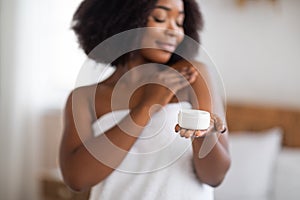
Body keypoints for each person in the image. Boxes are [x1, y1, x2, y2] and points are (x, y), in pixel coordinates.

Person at [59, 0, 231, 199]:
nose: (174, 32)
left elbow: (215, 176)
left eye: (179, 22)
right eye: (160, 18)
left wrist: (204, 136)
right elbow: (77, 179)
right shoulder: (84, 98)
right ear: (124, 18)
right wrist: (147, 106)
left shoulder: (191, 76)